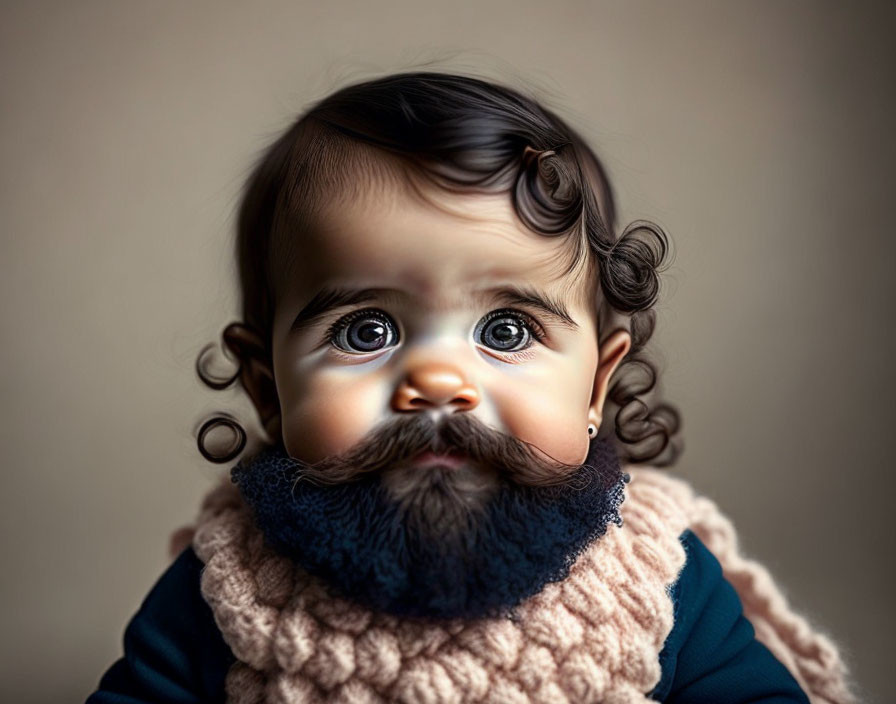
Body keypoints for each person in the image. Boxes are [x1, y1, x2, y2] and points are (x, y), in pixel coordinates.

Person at [86, 72, 855, 703]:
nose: (440, 382)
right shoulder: (226, 591)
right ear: (267, 388)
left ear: (596, 387)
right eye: (366, 332)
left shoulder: (658, 577)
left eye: (508, 332)